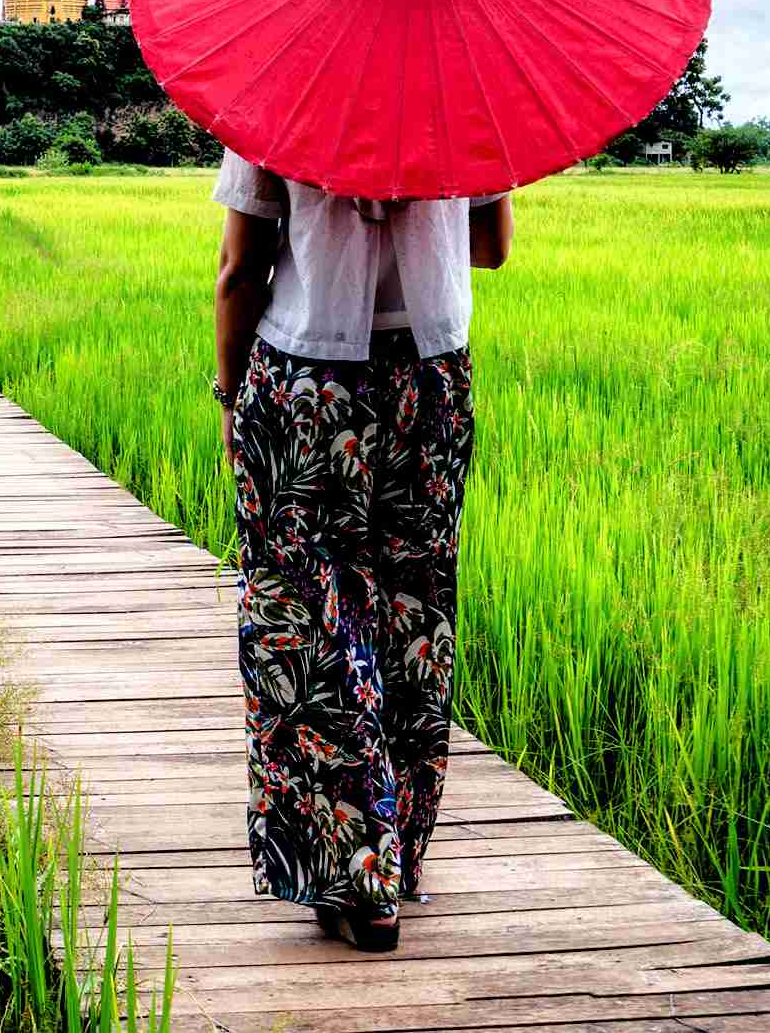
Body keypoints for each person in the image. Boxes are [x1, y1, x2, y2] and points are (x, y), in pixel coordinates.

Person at [210, 149, 513, 953]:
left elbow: (243, 269)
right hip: (431, 379)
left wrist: (228, 394)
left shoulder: (282, 84)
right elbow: (493, 245)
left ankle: (360, 877)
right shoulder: (465, 92)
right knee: (412, 614)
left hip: (305, 382)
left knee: (307, 625)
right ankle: (397, 852)